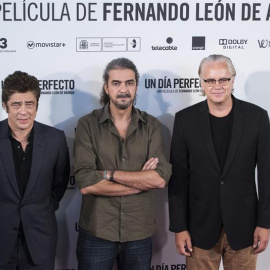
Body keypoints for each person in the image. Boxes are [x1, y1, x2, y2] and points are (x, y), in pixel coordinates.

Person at [169, 54, 270, 270]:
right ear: (201, 83)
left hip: (245, 227)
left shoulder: (257, 117)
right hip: (199, 227)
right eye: (210, 80)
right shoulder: (184, 120)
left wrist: (265, 223)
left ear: (233, 80)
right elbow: (178, 179)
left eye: (223, 79)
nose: (218, 86)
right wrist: (179, 227)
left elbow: (266, 175)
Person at [74, 57, 171, 270]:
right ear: (106, 88)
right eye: (116, 83)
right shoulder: (87, 125)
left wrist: (108, 173)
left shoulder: (151, 125)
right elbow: (86, 182)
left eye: (129, 83)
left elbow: (159, 178)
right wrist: (140, 183)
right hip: (97, 231)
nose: (123, 89)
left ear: (136, 86)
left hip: (139, 233)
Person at [0, 71, 70, 270]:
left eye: (29, 104)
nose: (24, 112)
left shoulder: (55, 139)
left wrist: (42, 208)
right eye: (16, 104)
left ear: (37, 106)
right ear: (5, 106)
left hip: (40, 242)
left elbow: (60, 184)